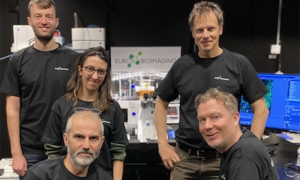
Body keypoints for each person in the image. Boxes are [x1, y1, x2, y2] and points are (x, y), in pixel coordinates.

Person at [154, 1, 269, 179]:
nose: (205, 35)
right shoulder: (182, 66)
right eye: (199, 30)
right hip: (184, 159)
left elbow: (261, 108)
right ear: (193, 33)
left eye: (211, 29)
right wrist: (162, 144)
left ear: (220, 29)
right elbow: (161, 103)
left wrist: (248, 147)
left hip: (223, 158)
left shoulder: (238, 64)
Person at [0, 0, 78, 178]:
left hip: (66, 150)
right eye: (38, 16)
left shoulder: (73, 59)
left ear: (56, 22)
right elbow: (12, 109)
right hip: (30, 152)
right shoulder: (17, 61)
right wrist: (16, 153)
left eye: (49, 17)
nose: (44, 21)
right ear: (29, 21)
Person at [41, 46, 128, 180]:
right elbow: (52, 152)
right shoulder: (61, 106)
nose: (95, 76)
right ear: (80, 69)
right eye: (90, 69)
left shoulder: (113, 109)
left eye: (101, 71)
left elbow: (118, 154)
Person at [195, 88, 279, 180]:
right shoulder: (242, 143)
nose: (207, 126)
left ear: (235, 118)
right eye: (202, 120)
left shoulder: (242, 159)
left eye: (215, 117)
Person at [23, 109, 113, 180]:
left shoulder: (104, 178)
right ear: (66, 139)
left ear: (101, 142)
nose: (86, 145)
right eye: (79, 137)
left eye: (93, 138)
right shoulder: (39, 176)